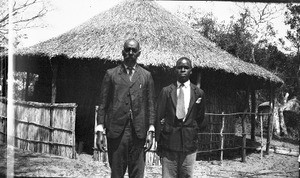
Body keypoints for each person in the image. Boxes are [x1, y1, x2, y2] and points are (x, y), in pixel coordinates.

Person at [95, 39, 156, 178]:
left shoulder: (146, 76)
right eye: (127, 49)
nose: (130, 53)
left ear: (139, 53)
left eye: (134, 50)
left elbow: (151, 104)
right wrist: (99, 130)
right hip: (117, 132)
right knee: (117, 173)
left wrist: (151, 130)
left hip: (138, 132)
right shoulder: (111, 74)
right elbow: (103, 103)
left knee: (137, 174)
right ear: (122, 52)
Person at [155, 57, 205, 178]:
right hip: (169, 144)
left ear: (191, 71)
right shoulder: (166, 91)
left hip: (189, 145)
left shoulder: (198, 93)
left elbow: (200, 118)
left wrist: (193, 134)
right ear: (175, 70)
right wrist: (159, 142)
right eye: (180, 67)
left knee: (186, 175)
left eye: (186, 67)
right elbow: (158, 116)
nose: (183, 70)